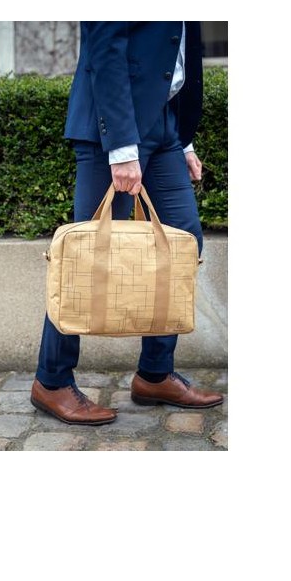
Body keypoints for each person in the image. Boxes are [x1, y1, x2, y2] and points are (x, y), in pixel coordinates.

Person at [30, 21, 224, 425]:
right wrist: (121, 149)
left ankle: (154, 373)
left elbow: (172, 48)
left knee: (183, 242)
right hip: (115, 128)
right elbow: (105, 46)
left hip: (164, 125)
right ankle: (52, 380)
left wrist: (184, 139)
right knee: (84, 256)